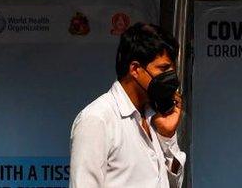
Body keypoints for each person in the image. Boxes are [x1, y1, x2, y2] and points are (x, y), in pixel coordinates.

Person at [69, 23, 185, 188]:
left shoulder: (154, 115)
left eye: (172, 69)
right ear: (136, 69)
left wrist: (167, 137)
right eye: (163, 69)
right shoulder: (97, 119)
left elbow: (173, 184)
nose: (171, 76)